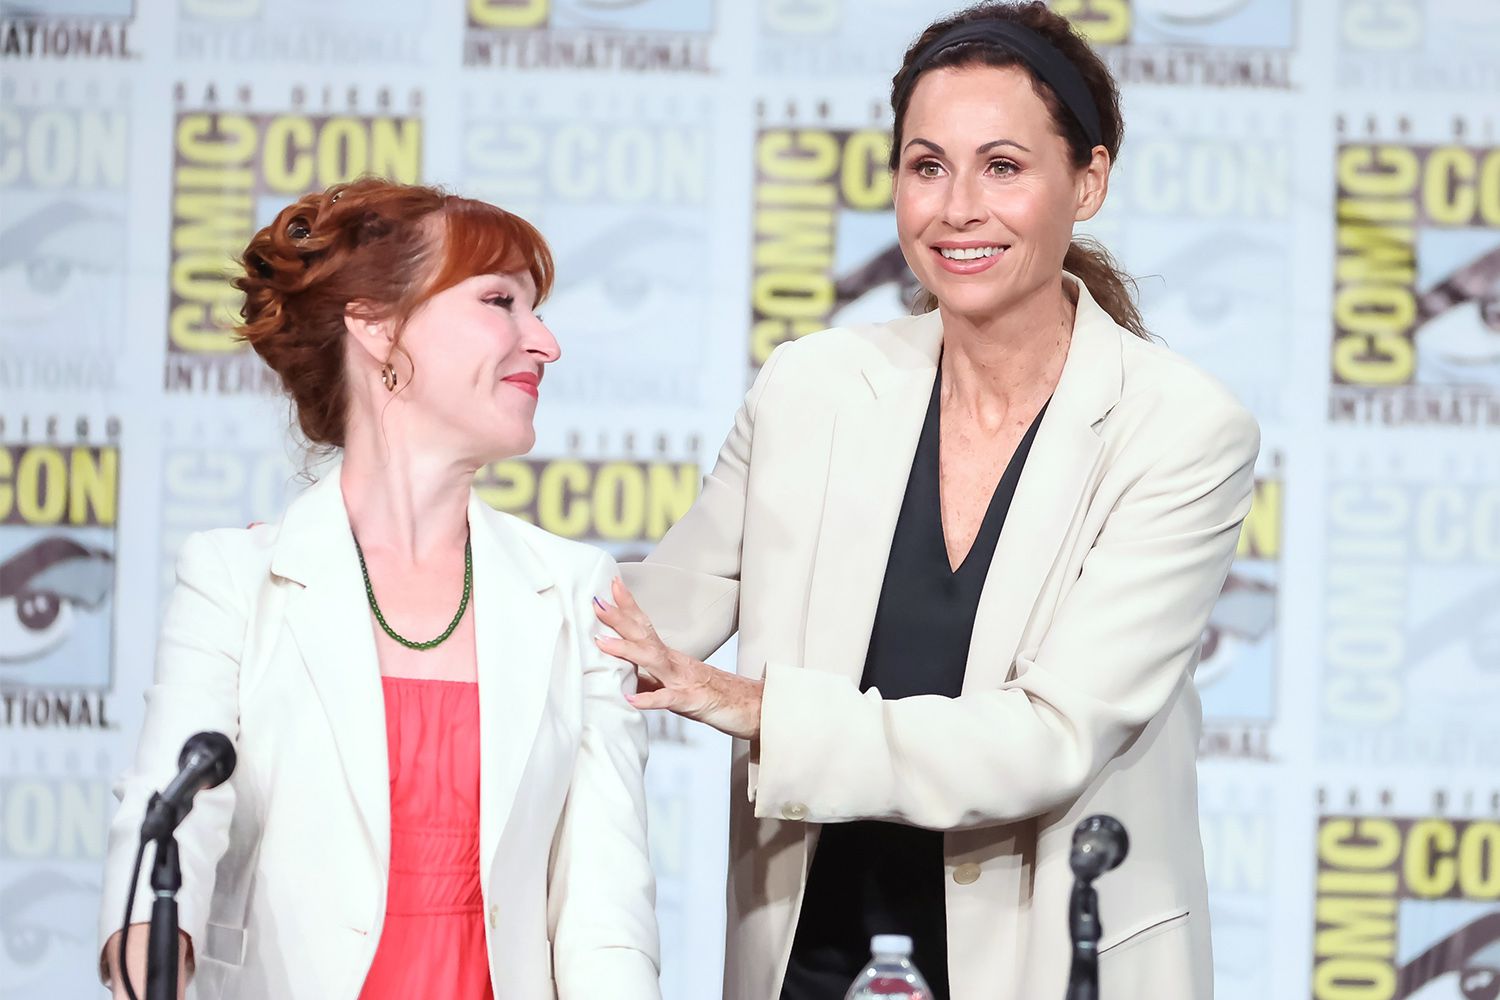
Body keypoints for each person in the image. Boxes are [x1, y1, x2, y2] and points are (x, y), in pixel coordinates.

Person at [594, 4, 1259, 999]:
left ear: (1088, 180)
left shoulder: (1180, 429)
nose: (956, 210)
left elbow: (1047, 737)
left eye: (1003, 166)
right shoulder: (810, 386)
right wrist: (400, 559)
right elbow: (651, 613)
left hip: (1047, 965)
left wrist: (751, 705)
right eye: (926, 165)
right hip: (810, 959)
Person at [96, 179, 660, 1000]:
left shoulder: (575, 591)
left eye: (534, 309)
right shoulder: (235, 579)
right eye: (500, 301)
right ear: (376, 325)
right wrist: (148, 950)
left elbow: (605, 915)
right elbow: (170, 823)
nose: (544, 342)